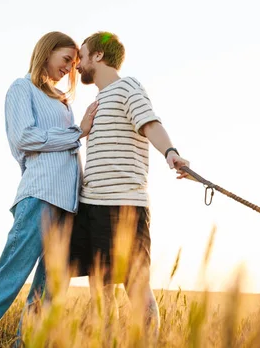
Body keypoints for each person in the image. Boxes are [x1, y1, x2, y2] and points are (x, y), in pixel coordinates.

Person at [0, 31, 98, 347]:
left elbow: (66, 151)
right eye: (66, 60)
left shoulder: (62, 103)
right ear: (47, 52)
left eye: (74, 64)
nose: (69, 69)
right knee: (10, 277)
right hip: (39, 198)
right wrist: (78, 133)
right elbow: (25, 138)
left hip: (67, 206)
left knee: (48, 290)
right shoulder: (21, 88)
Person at [69, 31, 190, 334]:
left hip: (123, 205)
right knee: (100, 286)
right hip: (93, 205)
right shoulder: (99, 99)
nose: (77, 64)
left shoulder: (128, 87)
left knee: (136, 285)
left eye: (81, 56)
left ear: (98, 56)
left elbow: (150, 123)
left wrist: (171, 152)